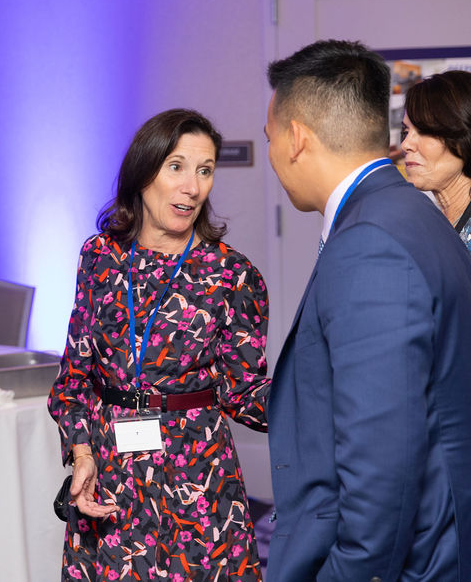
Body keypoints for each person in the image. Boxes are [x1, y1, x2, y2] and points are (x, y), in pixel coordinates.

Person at [264, 40, 471, 580]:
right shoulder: (410, 213)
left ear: (296, 138)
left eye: (269, 138)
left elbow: (383, 461)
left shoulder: (371, 240)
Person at [48, 108, 270, 581]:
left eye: (205, 170)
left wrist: (322, 393)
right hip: (111, 474)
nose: (192, 187)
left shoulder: (232, 274)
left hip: (198, 479)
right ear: (143, 171)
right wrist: (82, 454)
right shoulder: (99, 257)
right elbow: (73, 379)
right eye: (177, 167)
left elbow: (243, 392)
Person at [401, 69, 471, 252]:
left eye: (424, 131)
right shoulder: (427, 224)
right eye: (406, 131)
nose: (406, 144)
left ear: (463, 138)